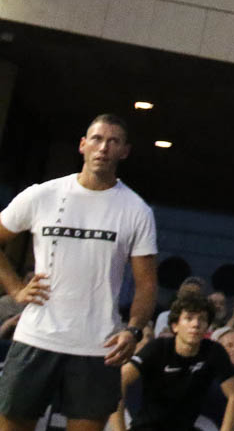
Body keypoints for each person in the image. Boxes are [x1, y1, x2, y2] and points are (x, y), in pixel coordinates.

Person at [0, 113, 158, 431]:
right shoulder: (41, 194)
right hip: (36, 337)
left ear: (124, 151)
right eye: (97, 139)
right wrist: (15, 288)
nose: (104, 148)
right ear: (83, 145)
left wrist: (134, 330)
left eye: (113, 141)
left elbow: (147, 284)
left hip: (98, 346)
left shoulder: (136, 210)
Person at [116, 293, 234, 431]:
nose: (196, 324)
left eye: (202, 319)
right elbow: (118, 381)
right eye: (189, 318)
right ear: (175, 326)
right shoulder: (158, 348)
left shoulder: (214, 351)